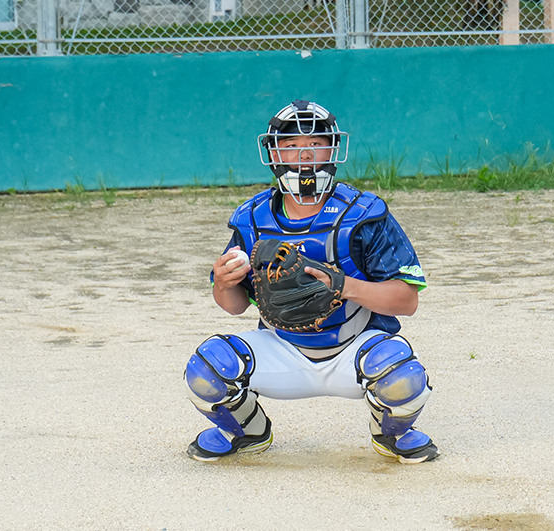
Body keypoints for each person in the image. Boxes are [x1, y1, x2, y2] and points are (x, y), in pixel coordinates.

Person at [183, 100, 438, 464]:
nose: (304, 154)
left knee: (400, 372)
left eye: (315, 142)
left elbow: (406, 301)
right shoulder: (251, 219)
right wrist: (223, 284)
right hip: (282, 347)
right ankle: (246, 431)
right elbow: (235, 305)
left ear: (333, 148)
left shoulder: (363, 214)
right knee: (207, 369)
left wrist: (343, 285)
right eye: (290, 145)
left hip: (352, 346)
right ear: (273, 152)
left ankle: (392, 434)